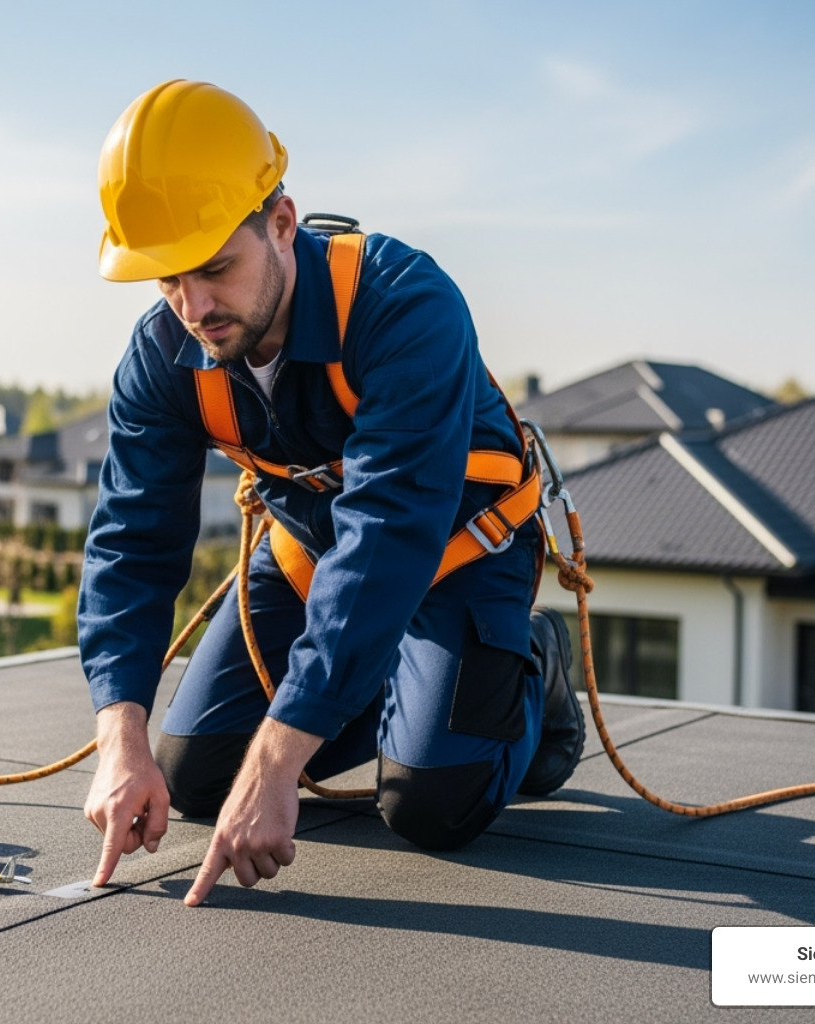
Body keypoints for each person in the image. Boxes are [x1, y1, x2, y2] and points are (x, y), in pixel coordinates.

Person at [77, 80, 584, 907]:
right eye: (168, 278)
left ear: (282, 222)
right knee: (195, 779)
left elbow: (389, 532)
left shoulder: (403, 308)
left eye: (215, 268)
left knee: (429, 803)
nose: (194, 307)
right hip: (312, 558)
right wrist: (118, 736)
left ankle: (532, 660)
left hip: (457, 550)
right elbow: (132, 543)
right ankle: (387, 674)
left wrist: (279, 762)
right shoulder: (164, 352)